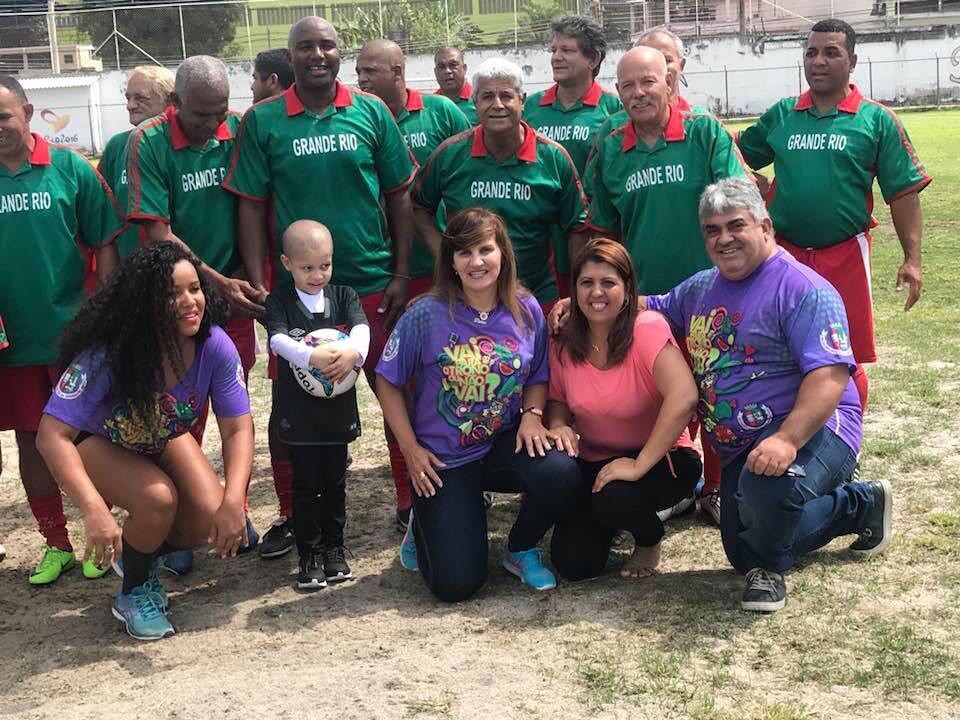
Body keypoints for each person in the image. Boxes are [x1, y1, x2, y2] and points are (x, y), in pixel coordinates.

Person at [644, 178, 891, 612]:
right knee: (742, 548)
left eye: (735, 225)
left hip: (815, 429)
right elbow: (657, 307)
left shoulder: (803, 289)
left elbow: (829, 377)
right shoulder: (701, 287)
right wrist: (595, 302)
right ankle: (859, 506)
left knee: (767, 501)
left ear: (765, 226)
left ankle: (769, 571)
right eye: (712, 229)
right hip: (743, 444)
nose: (724, 239)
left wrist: (786, 440)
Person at [225, 17, 418, 533]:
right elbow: (250, 205)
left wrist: (401, 271)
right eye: (305, 46)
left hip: (370, 276)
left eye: (326, 45)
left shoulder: (371, 111)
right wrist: (265, 285)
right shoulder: (263, 121)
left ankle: (411, 498)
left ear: (340, 54)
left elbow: (400, 194)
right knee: (291, 404)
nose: (317, 54)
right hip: (295, 292)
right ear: (289, 57)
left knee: (395, 387)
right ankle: (292, 511)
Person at [37, 241, 254, 640]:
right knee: (158, 499)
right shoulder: (109, 354)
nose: (190, 301)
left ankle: (137, 553)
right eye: (173, 293)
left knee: (206, 520)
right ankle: (133, 592)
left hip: (158, 434)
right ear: (146, 303)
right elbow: (51, 435)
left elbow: (237, 428)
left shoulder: (215, 345)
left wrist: (233, 500)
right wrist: (94, 512)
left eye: (195, 288)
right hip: (99, 439)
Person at [375, 208, 580, 601]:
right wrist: (411, 450)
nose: (476, 261)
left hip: (502, 442)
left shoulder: (525, 307)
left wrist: (532, 418)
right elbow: (387, 380)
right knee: (457, 585)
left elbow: (538, 372)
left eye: (485, 249)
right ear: (450, 262)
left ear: (502, 253)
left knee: (562, 470)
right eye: (464, 253)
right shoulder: (425, 314)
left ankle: (520, 548)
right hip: (444, 459)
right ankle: (424, 523)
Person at [736, 18, 931, 412]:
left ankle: (845, 441)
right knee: (781, 350)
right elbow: (734, 154)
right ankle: (790, 432)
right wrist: (759, 185)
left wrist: (912, 259)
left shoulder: (875, 120)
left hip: (844, 253)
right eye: (811, 52)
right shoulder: (783, 114)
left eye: (831, 52)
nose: (818, 61)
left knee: (846, 354)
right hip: (783, 256)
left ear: (852, 60)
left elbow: (903, 194)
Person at [126, 55, 262, 570]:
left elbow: (253, 205)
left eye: (222, 112)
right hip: (177, 294)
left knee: (233, 400)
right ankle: (181, 520)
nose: (214, 124)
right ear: (176, 104)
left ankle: (232, 507)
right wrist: (213, 280)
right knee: (181, 409)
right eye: (203, 115)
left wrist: (244, 280)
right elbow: (156, 230)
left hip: (231, 294)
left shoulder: (237, 132)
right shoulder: (149, 143)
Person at [0, 75, 122, 585]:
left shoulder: (70, 168)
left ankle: (105, 534)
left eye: (3, 117)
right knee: (32, 442)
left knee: (93, 436)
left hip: (76, 337)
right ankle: (56, 543)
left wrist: (111, 316)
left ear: (27, 113)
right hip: (14, 343)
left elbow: (107, 242)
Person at [546, 239, 702, 581]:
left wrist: (638, 464)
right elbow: (557, 400)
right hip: (594, 459)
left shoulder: (646, 329)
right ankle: (614, 522)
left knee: (615, 499)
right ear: (573, 289)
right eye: (586, 283)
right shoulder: (563, 341)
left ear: (628, 288)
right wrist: (557, 425)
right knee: (574, 564)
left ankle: (649, 539)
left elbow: (684, 396)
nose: (596, 293)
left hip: (662, 458)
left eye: (608, 283)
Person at [414, 57, 589, 312]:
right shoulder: (450, 155)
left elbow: (578, 227)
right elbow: (418, 206)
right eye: (487, 97)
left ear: (523, 100)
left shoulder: (553, 158)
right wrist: (445, 254)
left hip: (535, 294)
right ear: (475, 103)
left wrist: (576, 291)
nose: (497, 105)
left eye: (506, 95)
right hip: (466, 294)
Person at [265, 220, 369, 589]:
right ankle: (308, 553)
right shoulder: (279, 301)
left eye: (324, 265)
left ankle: (334, 549)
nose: (317, 274)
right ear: (287, 262)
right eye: (307, 267)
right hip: (299, 414)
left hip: (336, 413)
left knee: (336, 481)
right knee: (307, 484)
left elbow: (361, 329)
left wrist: (353, 351)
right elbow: (277, 340)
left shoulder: (344, 296)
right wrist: (313, 358)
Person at [355, 39, 470, 298]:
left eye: (370, 71)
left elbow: (472, 173)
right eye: (359, 72)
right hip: (384, 267)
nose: (362, 79)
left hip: (440, 261)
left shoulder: (442, 111)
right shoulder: (357, 120)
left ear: (397, 72)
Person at [522, 16, 621, 297]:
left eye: (566, 50)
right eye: (554, 50)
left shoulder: (612, 109)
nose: (556, 57)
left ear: (593, 59)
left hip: (592, 232)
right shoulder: (531, 107)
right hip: (539, 236)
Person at [99, 65, 174, 259]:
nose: (130, 105)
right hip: (130, 271)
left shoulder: (179, 145)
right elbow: (103, 216)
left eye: (140, 98)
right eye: (128, 98)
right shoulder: (116, 146)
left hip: (182, 270)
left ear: (169, 100)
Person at [433, 47, 477, 125]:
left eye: (453, 65)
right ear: (435, 72)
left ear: (464, 68)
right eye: (441, 67)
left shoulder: (478, 99)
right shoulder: (431, 104)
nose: (447, 71)